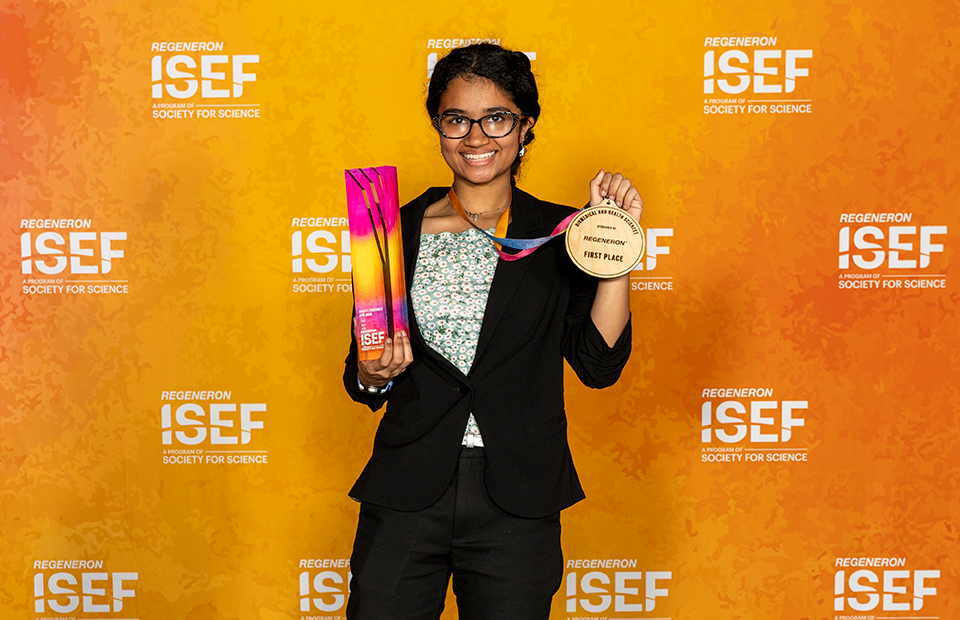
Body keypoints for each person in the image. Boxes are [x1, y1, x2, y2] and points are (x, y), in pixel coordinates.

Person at [342, 43, 643, 620]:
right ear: (438, 127)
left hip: (517, 495)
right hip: (408, 486)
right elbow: (360, 375)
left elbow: (598, 366)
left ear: (525, 126)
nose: (475, 137)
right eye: (456, 119)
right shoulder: (390, 228)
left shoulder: (562, 232)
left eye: (496, 118)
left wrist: (615, 249)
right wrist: (370, 371)